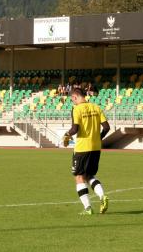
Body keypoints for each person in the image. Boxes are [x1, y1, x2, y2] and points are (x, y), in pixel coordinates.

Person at [63, 87, 111, 215]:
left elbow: (75, 129)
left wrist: (66, 135)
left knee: (79, 177)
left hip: (82, 148)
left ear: (75, 97)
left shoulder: (77, 109)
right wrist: (98, 138)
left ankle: (88, 208)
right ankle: (102, 196)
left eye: (72, 99)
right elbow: (107, 127)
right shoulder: (96, 107)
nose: (72, 102)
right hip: (96, 148)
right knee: (89, 175)